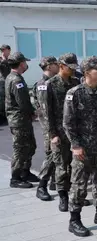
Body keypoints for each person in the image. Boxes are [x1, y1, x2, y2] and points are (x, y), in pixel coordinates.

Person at [63, 56, 97, 237]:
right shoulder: (75, 93)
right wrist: (76, 145)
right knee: (79, 184)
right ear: (87, 73)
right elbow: (68, 123)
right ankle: (74, 219)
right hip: (83, 148)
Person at [46, 53, 82, 211]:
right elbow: (46, 113)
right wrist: (52, 134)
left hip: (74, 132)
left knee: (75, 166)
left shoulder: (75, 82)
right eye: (70, 68)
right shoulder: (50, 84)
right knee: (61, 166)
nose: (73, 71)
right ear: (61, 66)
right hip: (59, 133)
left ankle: (75, 195)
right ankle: (63, 197)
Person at [5, 52, 38, 188]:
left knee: (30, 146)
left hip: (21, 119)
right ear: (21, 64)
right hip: (19, 120)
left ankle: (25, 172)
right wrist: (32, 112)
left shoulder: (13, 77)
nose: (26, 64)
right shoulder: (16, 80)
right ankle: (16, 178)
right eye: (25, 62)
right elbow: (23, 102)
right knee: (20, 149)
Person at [33, 56, 59, 201]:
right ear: (49, 66)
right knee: (51, 156)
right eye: (55, 64)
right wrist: (51, 132)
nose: (58, 66)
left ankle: (55, 183)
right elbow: (45, 110)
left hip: (56, 125)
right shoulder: (43, 84)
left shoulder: (53, 82)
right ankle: (41, 186)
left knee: (58, 156)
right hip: (50, 127)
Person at [0, 44, 11, 125]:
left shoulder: (10, 59)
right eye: (2, 50)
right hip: (2, 82)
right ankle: (2, 117)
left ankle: (8, 115)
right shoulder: (1, 60)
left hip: (10, 81)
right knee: (2, 99)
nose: (3, 52)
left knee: (9, 98)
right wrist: (3, 60)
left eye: (5, 50)